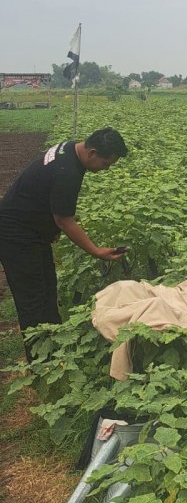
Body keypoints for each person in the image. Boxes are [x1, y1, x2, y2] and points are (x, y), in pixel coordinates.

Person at [0, 127, 128, 359]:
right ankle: (39, 363)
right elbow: (65, 220)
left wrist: (48, 227)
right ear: (92, 152)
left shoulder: (70, 149)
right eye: (106, 164)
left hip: (31, 230)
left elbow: (49, 200)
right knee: (32, 299)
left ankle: (54, 349)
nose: (105, 169)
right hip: (15, 235)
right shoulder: (67, 171)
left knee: (47, 290)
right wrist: (96, 251)